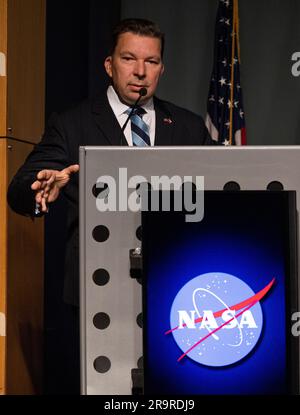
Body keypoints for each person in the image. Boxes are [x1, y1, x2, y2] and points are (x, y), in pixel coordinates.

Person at [7, 18, 213, 393]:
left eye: (151, 62)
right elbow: (21, 187)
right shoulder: (73, 124)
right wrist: (38, 190)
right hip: (96, 291)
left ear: (162, 69)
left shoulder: (187, 126)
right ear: (109, 65)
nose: (140, 72)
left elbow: (219, 189)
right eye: (129, 59)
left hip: (175, 287)